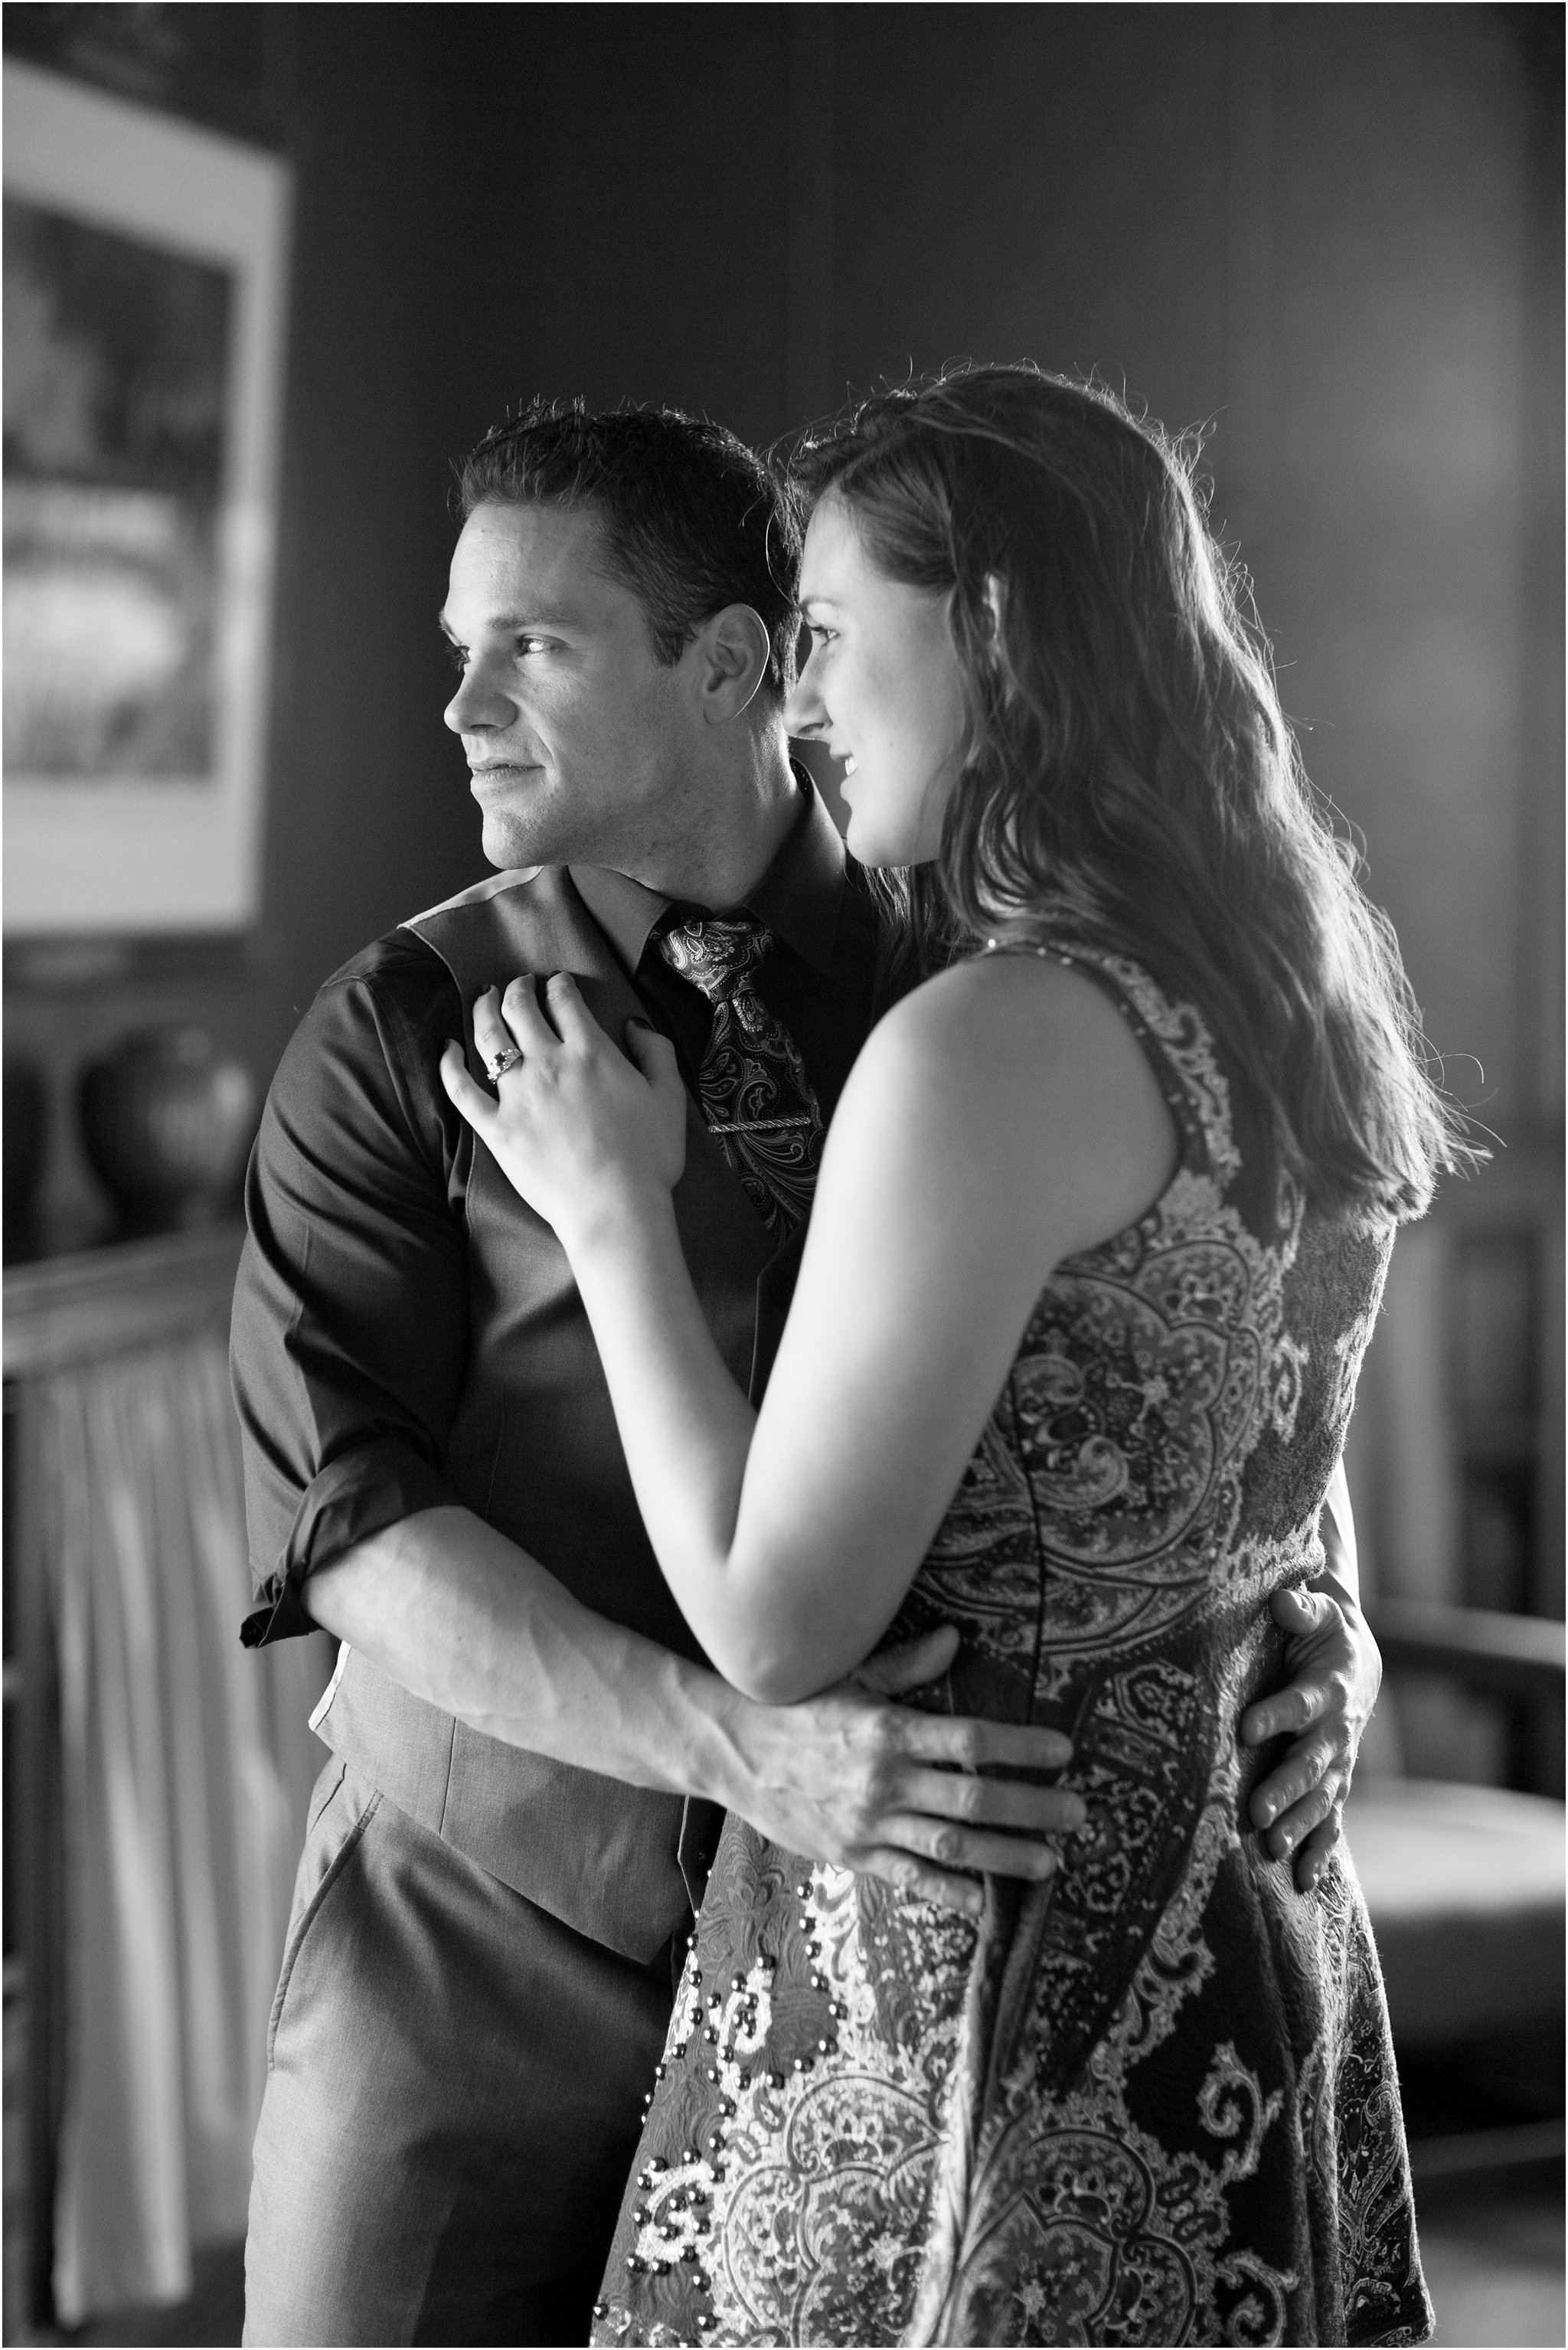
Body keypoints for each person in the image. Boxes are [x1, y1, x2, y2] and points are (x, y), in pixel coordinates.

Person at [234, 399, 1383, 2347]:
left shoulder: (987, 976)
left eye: (534, 643)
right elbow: (346, 1529)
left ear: (735, 663)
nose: (461, 707)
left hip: (902, 1970)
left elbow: (1185, 1339)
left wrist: (1317, 1609)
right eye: (459, 647)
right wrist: (738, 1752)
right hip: (479, 1947)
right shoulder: (399, 1026)